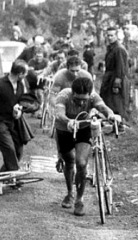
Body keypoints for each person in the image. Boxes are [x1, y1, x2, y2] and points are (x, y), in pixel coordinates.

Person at [54, 77, 120, 216]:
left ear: (90, 95)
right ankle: (70, 193)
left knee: (81, 163)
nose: (82, 103)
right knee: (69, 162)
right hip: (65, 129)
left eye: (85, 100)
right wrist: (68, 121)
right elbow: (59, 114)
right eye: (78, 100)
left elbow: (102, 107)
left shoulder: (93, 96)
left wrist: (111, 114)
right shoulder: (63, 95)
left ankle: (79, 200)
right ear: (72, 93)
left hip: (83, 128)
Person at [100, 26, 130, 132]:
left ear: (116, 36)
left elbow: (121, 68)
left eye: (112, 35)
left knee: (117, 103)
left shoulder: (119, 49)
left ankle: (120, 126)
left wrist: (116, 84)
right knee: (110, 102)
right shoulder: (111, 48)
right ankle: (114, 126)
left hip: (117, 79)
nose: (110, 37)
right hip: (110, 78)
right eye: (108, 35)